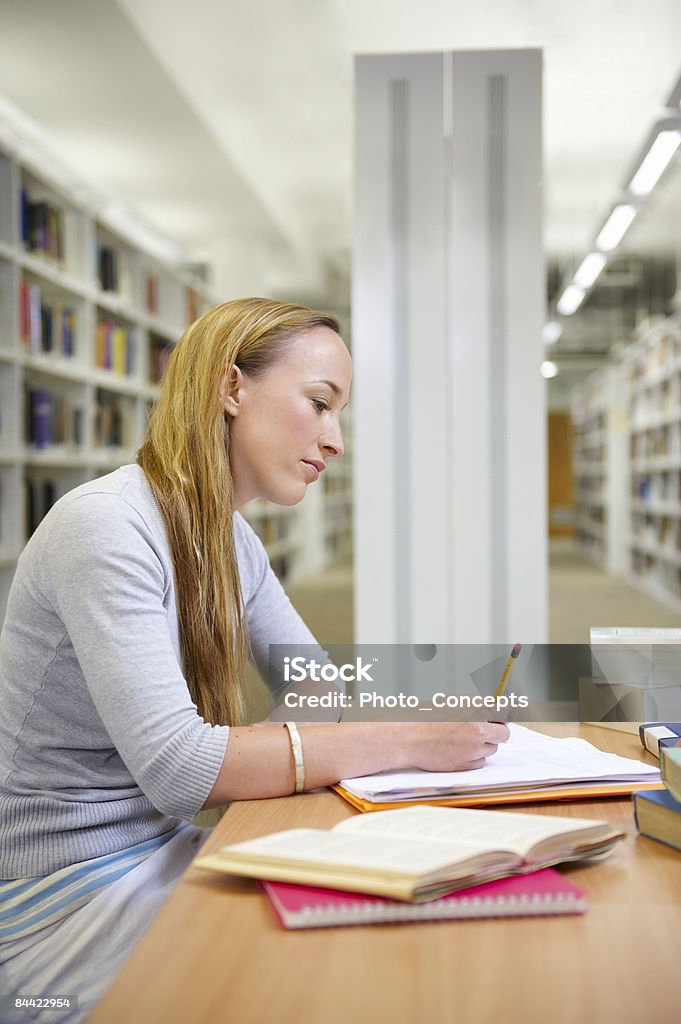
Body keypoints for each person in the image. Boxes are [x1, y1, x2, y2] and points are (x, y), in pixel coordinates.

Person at [0, 297, 509, 1020]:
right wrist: (406, 740)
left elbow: (315, 681)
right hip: (60, 896)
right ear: (231, 388)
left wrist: (260, 754)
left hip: (158, 850)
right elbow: (180, 768)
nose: (334, 441)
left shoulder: (231, 542)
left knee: (394, 922)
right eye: (319, 403)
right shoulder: (106, 526)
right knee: (332, 980)